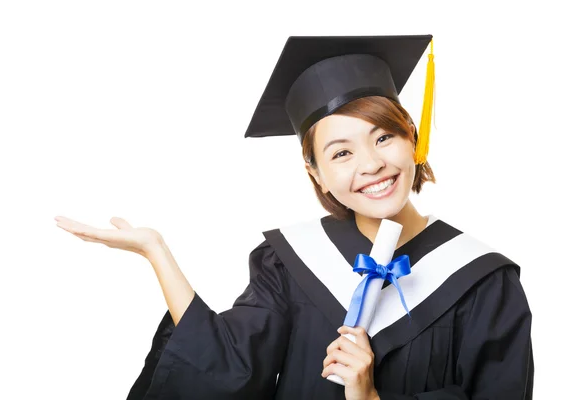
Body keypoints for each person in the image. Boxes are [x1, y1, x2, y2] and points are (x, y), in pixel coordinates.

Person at [55, 35, 534, 399]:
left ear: (413, 135)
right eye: (341, 152)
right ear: (317, 173)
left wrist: (368, 395)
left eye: (384, 137)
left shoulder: (484, 282)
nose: (370, 164)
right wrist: (156, 251)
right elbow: (225, 369)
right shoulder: (289, 265)